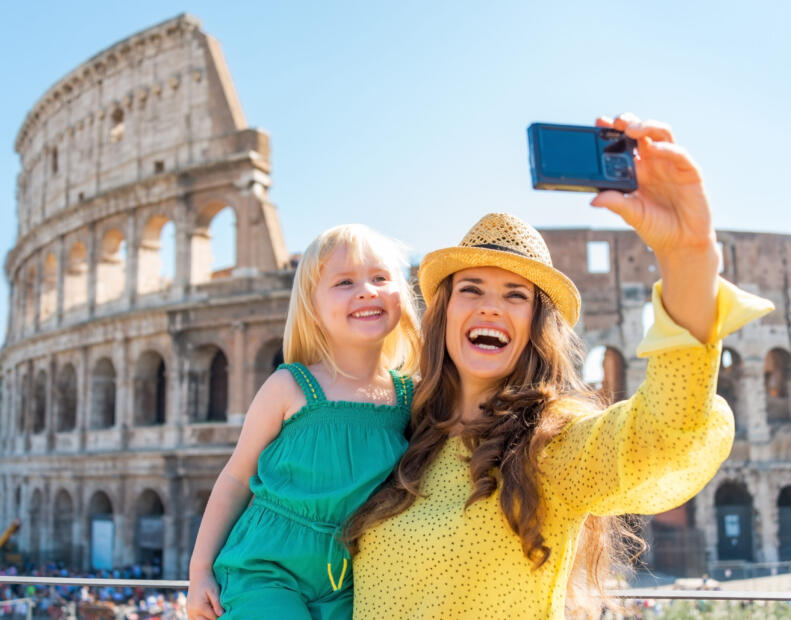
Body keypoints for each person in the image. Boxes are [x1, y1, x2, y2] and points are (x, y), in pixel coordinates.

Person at [345, 114, 775, 619]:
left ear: (533, 325)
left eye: (515, 295)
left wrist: (688, 254)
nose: (491, 307)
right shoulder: (396, 430)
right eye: (471, 289)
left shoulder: (549, 447)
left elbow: (666, 431)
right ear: (444, 314)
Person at [187, 224, 420, 620]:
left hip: (352, 577)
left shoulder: (412, 397)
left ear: (402, 296)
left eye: (380, 278)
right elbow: (235, 479)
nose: (366, 290)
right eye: (344, 282)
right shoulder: (289, 386)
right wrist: (199, 572)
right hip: (267, 568)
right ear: (312, 307)